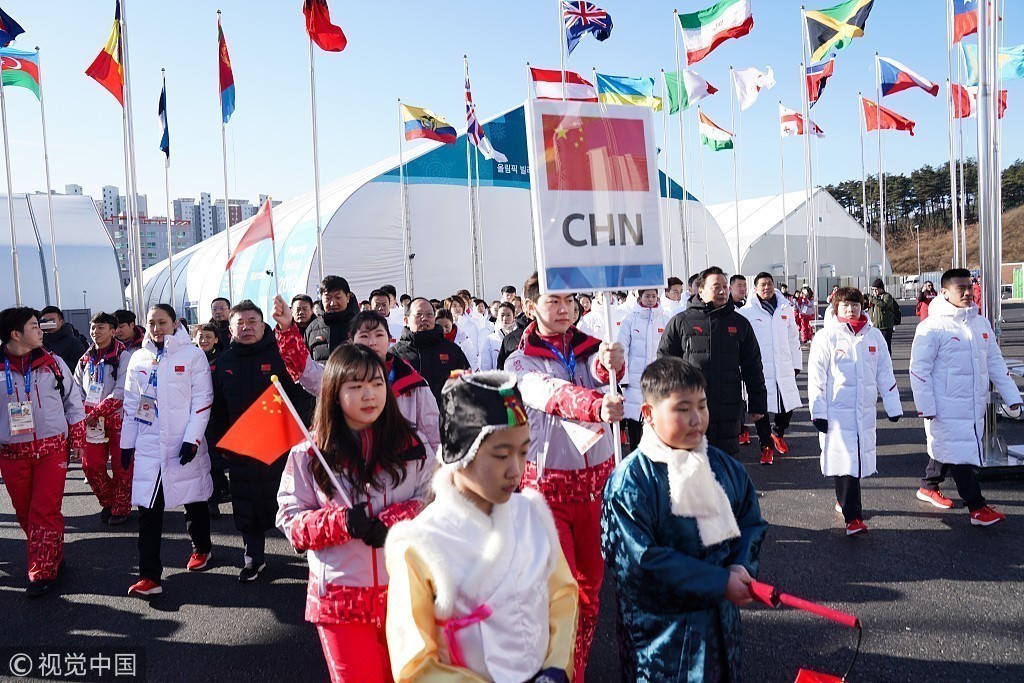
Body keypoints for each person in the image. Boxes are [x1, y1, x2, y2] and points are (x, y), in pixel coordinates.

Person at [385, 371, 578, 683]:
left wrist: (556, 666)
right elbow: (415, 664)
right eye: (501, 454)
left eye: (524, 451)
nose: (516, 470)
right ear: (461, 452)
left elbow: (563, 595)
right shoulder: (420, 544)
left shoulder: (532, 513)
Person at [601, 357, 768, 681]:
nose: (696, 419)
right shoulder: (632, 481)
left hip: (721, 629)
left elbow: (750, 521)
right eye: (682, 409)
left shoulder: (723, 466)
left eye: (701, 406)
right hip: (661, 642)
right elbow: (636, 563)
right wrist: (718, 582)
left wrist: (742, 564)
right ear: (648, 414)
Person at [276, 344, 435, 683]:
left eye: (377, 384)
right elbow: (290, 520)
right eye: (356, 386)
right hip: (339, 598)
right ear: (334, 392)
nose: (369, 395)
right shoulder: (309, 454)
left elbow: (434, 500)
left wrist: (394, 521)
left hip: (406, 594)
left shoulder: (413, 444)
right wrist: (341, 523)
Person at [505, 272, 625, 683]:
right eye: (553, 301)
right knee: (559, 594)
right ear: (530, 307)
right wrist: (595, 405)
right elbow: (547, 391)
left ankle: (575, 671)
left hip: (599, 488)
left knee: (590, 594)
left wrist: (614, 363)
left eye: (569, 301)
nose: (564, 309)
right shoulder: (518, 361)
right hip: (547, 493)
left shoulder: (590, 348)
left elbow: (599, 369)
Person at [206, 300, 314, 581]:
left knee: (289, 497)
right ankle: (253, 557)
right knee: (246, 503)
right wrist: (221, 444)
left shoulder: (280, 354)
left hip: (282, 445)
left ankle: (299, 538)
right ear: (230, 329)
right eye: (240, 323)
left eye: (252, 321)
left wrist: (300, 435)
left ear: (263, 324)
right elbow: (217, 409)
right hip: (242, 446)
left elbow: (303, 396)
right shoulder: (224, 363)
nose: (247, 328)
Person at [909, 268, 1023, 526]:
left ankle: (928, 485)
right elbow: (918, 370)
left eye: (970, 287)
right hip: (944, 405)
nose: (968, 292)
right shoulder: (933, 327)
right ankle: (977, 507)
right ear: (945, 292)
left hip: (973, 404)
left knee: (950, 446)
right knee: (960, 454)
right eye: (961, 288)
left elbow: (995, 363)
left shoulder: (980, 323)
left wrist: (1012, 396)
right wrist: (926, 406)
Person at [120, 304, 215, 597]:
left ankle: (202, 546)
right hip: (150, 444)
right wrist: (126, 444)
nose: (157, 328)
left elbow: (202, 399)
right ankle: (150, 576)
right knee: (149, 510)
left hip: (182, 441)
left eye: (162, 322)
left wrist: (192, 438)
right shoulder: (138, 357)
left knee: (193, 498)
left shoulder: (192, 355)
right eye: (152, 323)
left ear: (175, 323)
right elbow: (132, 404)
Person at [273, 297, 441, 453]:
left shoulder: (412, 383)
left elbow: (432, 435)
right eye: (364, 336)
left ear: (390, 340)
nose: (372, 342)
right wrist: (287, 328)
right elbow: (306, 371)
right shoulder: (339, 377)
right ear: (351, 340)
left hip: (401, 470)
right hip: (349, 466)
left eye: (379, 335)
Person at [1, 306, 86, 597]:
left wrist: (78, 441)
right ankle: (50, 551)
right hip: (11, 452)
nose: (41, 330)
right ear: (15, 334)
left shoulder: (53, 362)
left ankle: (42, 572)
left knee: (44, 510)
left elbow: (74, 402)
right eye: (34, 326)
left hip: (51, 449)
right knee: (24, 513)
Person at [808, 287, 903, 535]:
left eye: (855, 305)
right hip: (837, 412)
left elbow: (885, 373)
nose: (851, 310)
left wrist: (893, 406)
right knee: (845, 462)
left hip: (864, 411)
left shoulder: (874, 337)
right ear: (836, 308)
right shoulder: (826, 337)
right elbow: (816, 379)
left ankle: (844, 502)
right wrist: (818, 412)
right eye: (845, 306)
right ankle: (853, 517)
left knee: (857, 460)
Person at [658, 267, 767, 457]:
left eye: (725, 287)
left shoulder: (740, 324)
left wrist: (758, 403)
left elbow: (753, 366)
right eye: (716, 287)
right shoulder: (681, 322)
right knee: (690, 467)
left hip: (728, 407)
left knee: (724, 468)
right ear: (700, 290)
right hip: (690, 409)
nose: (723, 291)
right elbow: (665, 365)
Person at [73, 312, 132, 526]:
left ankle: (121, 507)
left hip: (117, 419)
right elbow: (76, 389)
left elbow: (122, 391)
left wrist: (97, 411)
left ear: (113, 331)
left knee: (122, 467)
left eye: (101, 327)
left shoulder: (124, 357)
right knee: (90, 465)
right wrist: (85, 412)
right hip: (91, 422)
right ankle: (108, 501)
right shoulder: (85, 359)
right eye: (93, 328)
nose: (95, 332)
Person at [739, 273, 803, 466]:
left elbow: (794, 336)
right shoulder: (746, 312)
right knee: (761, 408)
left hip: (783, 365)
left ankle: (779, 433)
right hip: (760, 367)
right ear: (755, 288)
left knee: (787, 406)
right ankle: (765, 446)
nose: (766, 287)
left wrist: (796, 363)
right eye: (762, 285)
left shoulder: (785, 308)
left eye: (769, 284)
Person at [391, 297, 470, 406]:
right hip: (408, 420)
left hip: (446, 418)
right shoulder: (395, 355)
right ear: (406, 320)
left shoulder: (452, 351)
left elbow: (468, 387)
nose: (424, 318)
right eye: (418, 315)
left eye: (429, 314)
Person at [617, 288, 669, 450]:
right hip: (634, 378)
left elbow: (669, 349)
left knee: (656, 419)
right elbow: (622, 349)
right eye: (647, 296)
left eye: (654, 296)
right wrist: (623, 378)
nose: (651, 299)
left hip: (657, 378)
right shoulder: (630, 320)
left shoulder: (664, 319)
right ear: (640, 297)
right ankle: (635, 454)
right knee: (634, 419)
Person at [306, 275, 360, 363]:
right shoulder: (312, 328)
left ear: (348, 297)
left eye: (338, 297)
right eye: (328, 298)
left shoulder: (362, 324)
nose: (332, 303)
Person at [39, 306, 87, 371]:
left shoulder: (73, 342)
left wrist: (55, 364)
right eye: (44, 321)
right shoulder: (37, 343)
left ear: (61, 322)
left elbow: (80, 366)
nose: (48, 324)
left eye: (52, 321)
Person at [438, 302, 479, 370]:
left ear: (452, 323)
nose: (444, 330)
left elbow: (472, 361)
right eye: (440, 326)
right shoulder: (432, 339)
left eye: (447, 326)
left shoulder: (463, 339)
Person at [478, 302, 516, 372]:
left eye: (508, 315)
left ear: (514, 316)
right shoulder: (490, 339)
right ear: (497, 316)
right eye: (502, 315)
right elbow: (485, 367)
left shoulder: (519, 337)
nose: (505, 318)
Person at [866, 279, 897, 353]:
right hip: (874, 326)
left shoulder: (887, 296)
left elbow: (883, 305)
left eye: (876, 289)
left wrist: (872, 298)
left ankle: (888, 362)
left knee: (885, 347)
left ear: (881, 289)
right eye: (873, 289)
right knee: (875, 348)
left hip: (885, 327)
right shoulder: (872, 298)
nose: (874, 291)